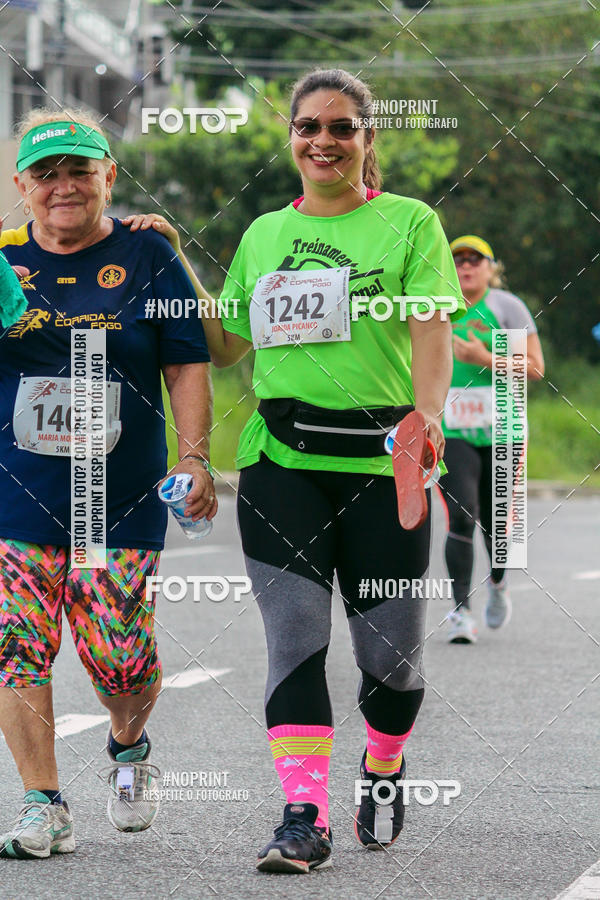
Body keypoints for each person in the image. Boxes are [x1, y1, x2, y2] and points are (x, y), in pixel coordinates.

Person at [127, 67, 465, 872]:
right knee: (295, 644)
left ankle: (383, 763)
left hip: (388, 467)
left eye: (341, 127)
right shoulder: (264, 236)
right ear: (291, 139)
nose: (323, 140)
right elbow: (226, 343)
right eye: (308, 126)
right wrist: (175, 259)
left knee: (392, 662)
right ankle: (302, 816)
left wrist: (427, 417)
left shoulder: (410, 223)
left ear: (366, 138)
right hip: (283, 466)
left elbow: (429, 331)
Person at [0, 108, 215, 859]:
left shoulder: (149, 254)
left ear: (108, 178)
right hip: (15, 494)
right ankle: (42, 802)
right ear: (23, 185)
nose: (64, 186)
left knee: (119, 658)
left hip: (115, 498)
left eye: (79, 170)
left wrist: (193, 458)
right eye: (47, 174)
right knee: (16, 645)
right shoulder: (1, 261)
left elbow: (188, 360)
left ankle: (128, 747)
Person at [439, 235, 544, 644]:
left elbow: (534, 368)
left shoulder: (505, 307)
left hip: (504, 428)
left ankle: (498, 585)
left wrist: (484, 358)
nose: (465, 266)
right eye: (457, 259)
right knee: (461, 513)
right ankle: (460, 612)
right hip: (453, 429)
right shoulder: (437, 306)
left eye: (474, 259)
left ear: (490, 267)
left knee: (499, 524)